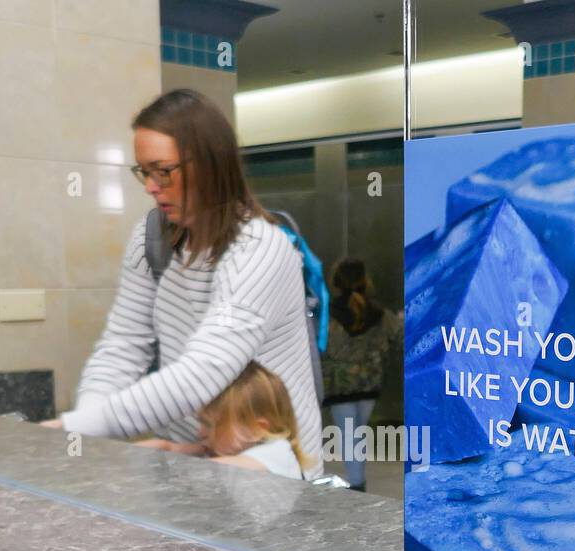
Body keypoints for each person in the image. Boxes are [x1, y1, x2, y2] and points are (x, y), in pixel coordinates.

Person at [43, 89, 323, 479]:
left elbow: (203, 372)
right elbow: (122, 347)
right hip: (196, 462)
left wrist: (79, 427)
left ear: (209, 165)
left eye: (164, 171)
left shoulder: (260, 249)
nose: (150, 187)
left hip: (270, 473)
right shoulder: (152, 238)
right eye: (144, 171)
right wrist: (88, 429)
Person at [139, 362, 312, 479]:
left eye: (209, 425)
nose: (200, 432)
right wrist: (159, 448)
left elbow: (209, 472)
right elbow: (169, 449)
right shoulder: (228, 450)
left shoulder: (276, 453)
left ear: (255, 430)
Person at [319, 258, 391, 491]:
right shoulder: (380, 314)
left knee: (349, 435)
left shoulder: (326, 313)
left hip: (340, 388)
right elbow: (397, 338)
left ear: (336, 282)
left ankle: (358, 484)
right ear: (364, 280)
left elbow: (320, 346)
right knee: (357, 433)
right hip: (369, 386)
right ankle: (358, 481)